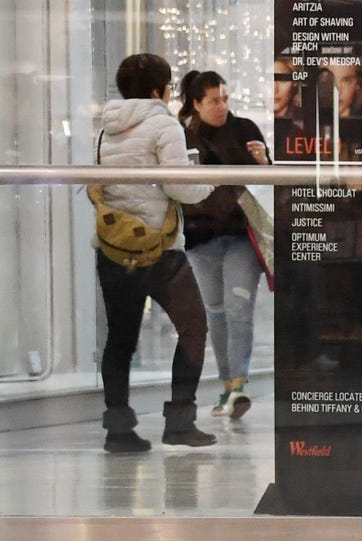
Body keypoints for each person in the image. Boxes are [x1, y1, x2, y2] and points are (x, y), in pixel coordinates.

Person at [94, 54, 213, 454]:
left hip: (114, 249)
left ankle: (118, 430)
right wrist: (208, 186)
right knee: (194, 328)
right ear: (158, 90)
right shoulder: (164, 125)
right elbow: (179, 187)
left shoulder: (106, 127)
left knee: (120, 340)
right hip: (159, 252)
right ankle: (179, 422)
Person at [178, 70, 267, 424]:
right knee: (215, 312)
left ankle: (237, 386)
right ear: (196, 103)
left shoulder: (245, 130)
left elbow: (265, 183)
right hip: (201, 238)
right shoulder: (184, 135)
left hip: (242, 235)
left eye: (225, 98)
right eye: (214, 100)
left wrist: (263, 161)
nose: (222, 106)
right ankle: (226, 386)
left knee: (238, 309)